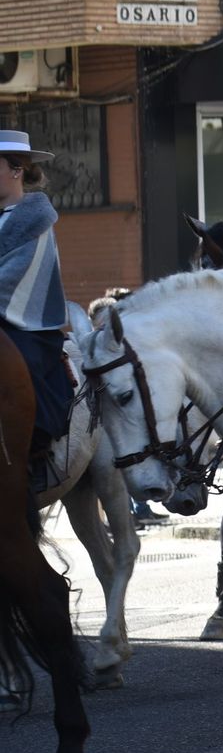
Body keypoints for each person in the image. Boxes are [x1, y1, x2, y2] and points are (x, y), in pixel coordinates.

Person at [0, 131, 71, 495]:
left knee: (14, 366)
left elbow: (17, 277)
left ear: (16, 169)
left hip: (27, 325)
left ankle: (33, 454)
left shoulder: (36, 218)